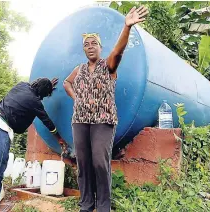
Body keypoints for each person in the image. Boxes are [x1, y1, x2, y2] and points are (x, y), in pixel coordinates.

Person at [63, 6, 149, 212]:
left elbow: (118, 52)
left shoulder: (108, 65)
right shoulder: (79, 69)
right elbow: (67, 83)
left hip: (103, 120)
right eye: (86, 44)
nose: (90, 46)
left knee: (100, 162)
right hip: (80, 121)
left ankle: (103, 206)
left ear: (100, 48)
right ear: (83, 49)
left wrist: (126, 27)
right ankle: (86, 204)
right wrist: (77, 99)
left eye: (94, 43)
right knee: (83, 163)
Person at [0, 78, 67, 212]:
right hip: (0, 128)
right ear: (42, 93)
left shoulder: (22, 85)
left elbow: (34, 88)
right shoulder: (35, 102)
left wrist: (47, 84)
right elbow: (48, 122)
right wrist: (59, 138)